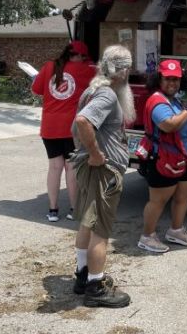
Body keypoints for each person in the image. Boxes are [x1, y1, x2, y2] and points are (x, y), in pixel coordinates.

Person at [70, 44, 134, 308]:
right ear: (123, 70)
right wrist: (96, 153)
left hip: (92, 169)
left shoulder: (92, 89)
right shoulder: (107, 94)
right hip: (102, 172)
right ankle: (96, 287)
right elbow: (84, 122)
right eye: (129, 68)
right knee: (101, 230)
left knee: (87, 222)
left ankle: (83, 274)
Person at [137, 60, 187, 253]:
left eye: (176, 79)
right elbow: (169, 124)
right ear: (159, 79)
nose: (172, 83)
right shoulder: (157, 100)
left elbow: (182, 124)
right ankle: (147, 236)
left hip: (180, 157)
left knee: (185, 195)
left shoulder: (173, 100)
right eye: (168, 79)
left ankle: (176, 230)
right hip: (162, 158)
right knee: (158, 200)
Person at [31, 40, 96, 222]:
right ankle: (74, 209)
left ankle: (53, 210)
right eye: (83, 57)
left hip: (49, 127)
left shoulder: (49, 66)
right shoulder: (86, 69)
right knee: (71, 168)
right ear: (79, 56)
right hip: (71, 128)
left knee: (54, 167)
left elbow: (36, 89)